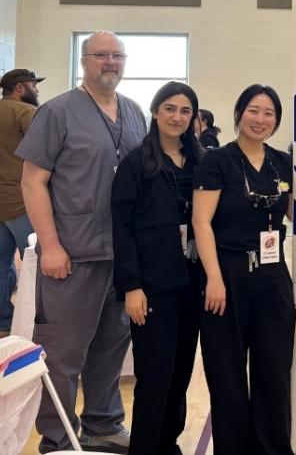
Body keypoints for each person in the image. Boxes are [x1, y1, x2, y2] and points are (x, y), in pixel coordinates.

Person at [16, 30, 147, 453]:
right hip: (72, 254)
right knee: (63, 350)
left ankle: (102, 424)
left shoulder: (134, 112)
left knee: (111, 347)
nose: (110, 62)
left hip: (120, 255)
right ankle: (58, 437)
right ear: (84, 61)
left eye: (117, 56)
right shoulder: (57, 112)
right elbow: (33, 181)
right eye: (101, 55)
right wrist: (51, 245)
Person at [192, 84, 294, 455]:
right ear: (238, 114)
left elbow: (295, 215)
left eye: (269, 113)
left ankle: (272, 448)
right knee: (227, 376)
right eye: (253, 110)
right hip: (227, 275)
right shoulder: (217, 162)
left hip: (272, 276)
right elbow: (201, 222)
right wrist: (214, 279)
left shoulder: (282, 163)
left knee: (274, 373)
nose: (260, 119)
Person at [111, 81, 204, 455]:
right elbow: (122, 229)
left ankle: (168, 444)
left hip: (192, 282)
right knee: (154, 374)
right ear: (155, 111)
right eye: (170, 108)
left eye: (185, 111)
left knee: (181, 371)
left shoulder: (201, 162)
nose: (177, 117)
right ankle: (146, 448)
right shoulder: (136, 165)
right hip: (152, 286)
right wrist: (131, 286)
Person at [0, 69, 42, 338]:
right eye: (33, 85)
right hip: (22, 202)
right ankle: (34, 324)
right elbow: (47, 152)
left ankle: (3, 323)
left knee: (1, 266)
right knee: (35, 266)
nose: (36, 90)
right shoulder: (26, 113)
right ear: (19, 88)